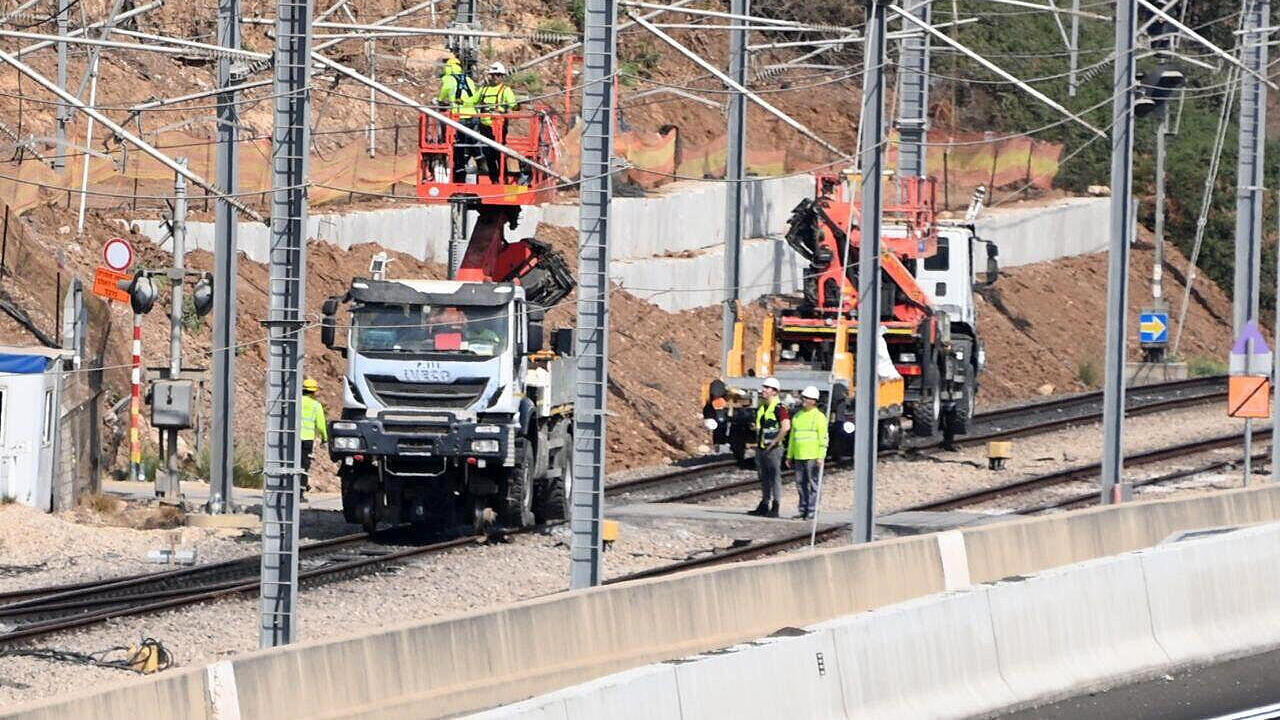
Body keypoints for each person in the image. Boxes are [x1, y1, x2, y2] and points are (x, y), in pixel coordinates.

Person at [748, 377, 789, 518]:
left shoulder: (779, 408)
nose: (763, 390)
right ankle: (765, 503)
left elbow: (785, 427)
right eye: (764, 387)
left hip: (773, 449)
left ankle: (775, 505)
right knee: (763, 476)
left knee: (774, 476)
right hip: (762, 448)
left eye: (767, 388)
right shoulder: (763, 408)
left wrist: (775, 442)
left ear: (775, 391)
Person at [788, 385, 828, 520]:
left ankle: (812, 510)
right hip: (799, 455)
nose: (804, 400)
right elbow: (793, 438)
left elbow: (823, 439)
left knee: (813, 484)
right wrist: (789, 455)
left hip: (813, 456)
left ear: (814, 401)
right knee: (800, 484)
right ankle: (803, 509)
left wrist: (820, 456)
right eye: (803, 397)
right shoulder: (798, 416)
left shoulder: (819, 417)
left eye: (807, 398)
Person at [474, 61, 519, 183]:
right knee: (488, 154)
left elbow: (513, 106)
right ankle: (494, 179)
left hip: (499, 127)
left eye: (497, 75)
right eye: (492, 75)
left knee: (499, 153)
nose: (494, 78)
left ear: (502, 76)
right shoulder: (483, 90)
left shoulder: (505, 90)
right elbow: (472, 101)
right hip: (484, 127)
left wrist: (504, 111)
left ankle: (502, 177)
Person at [436, 56, 478, 180]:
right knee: (470, 144)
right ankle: (477, 161)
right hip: (474, 115)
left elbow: (445, 91)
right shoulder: (468, 79)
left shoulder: (449, 79)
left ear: (449, 68)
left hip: (458, 117)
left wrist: (440, 100)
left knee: (458, 146)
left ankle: (459, 171)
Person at [300, 377, 329, 500]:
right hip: (307, 439)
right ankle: (300, 494)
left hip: (293, 439)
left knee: (290, 463)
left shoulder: (296, 402)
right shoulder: (316, 405)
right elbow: (321, 425)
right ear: (314, 391)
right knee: (303, 466)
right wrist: (325, 438)